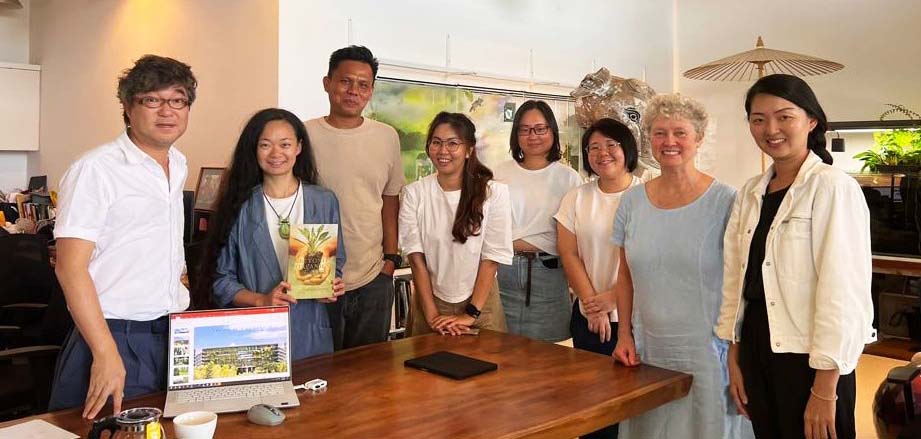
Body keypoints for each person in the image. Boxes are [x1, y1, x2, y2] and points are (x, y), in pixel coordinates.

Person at [716, 74, 875, 439]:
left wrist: (825, 387)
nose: (771, 129)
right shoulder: (750, 193)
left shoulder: (832, 187)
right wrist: (735, 358)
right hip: (757, 344)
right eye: (758, 119)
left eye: (784, 116)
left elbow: (843, 292)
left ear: (811, 120)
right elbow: (735, 279)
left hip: (809, 355)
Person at [583, 94, 749, 438]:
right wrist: (624, 334)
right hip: (649, 348)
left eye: (680, 133)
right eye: (660, 133)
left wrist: (737, 353)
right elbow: (625, 276)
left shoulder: (726, 201)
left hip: (709, 350)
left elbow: (740, 281)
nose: (669, 141)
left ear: (698, 138)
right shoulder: (632, 202)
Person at [49, 55, 197, 418]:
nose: (167, 111)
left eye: (177, 100)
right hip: (112, 334)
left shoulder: (178, 163)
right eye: (152, 100)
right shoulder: (95, 169)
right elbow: (69, 268)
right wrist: (105, 352)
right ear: (128, 107)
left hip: (173, 333)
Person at [205, 108, 346, 361]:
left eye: (285, 144)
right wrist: (262, 300)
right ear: (254, 149)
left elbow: (335, 264)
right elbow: (221, 281)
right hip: (256, 338)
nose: (276, 153)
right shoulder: (239, 205)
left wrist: (330, 287)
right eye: (265, 145)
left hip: (311, 334)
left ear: (299, 147)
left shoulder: (324, 201)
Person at [305, 45, 405, 350]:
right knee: (318, 364)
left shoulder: (387, 137)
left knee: (369, 367)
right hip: (316, 275)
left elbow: (389, 200)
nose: (353, 91)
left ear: (371, 91)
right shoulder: (304, 135)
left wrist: (390, 260)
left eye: (363, 85)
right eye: (345, 81)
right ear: (327, 83)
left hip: (373, 274)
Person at [554, 118, 641, 439]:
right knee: (594, 408)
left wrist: (612, 299)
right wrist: (593, 305)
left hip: (638, 319)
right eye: (593, 147)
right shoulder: (577, 197)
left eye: (611, 145)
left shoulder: (647, 193)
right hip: (590, 319)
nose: (602, 153)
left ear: (627, 148)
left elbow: (652, 258)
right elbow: (569, 253)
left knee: (634, 407)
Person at [399, 112, 512, 336]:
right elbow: (416, 258)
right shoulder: (414, 193)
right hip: (430, 300)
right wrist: (432, 316)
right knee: (425, 358)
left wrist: (471, 314)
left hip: (481, 303)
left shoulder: (494, 193)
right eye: (436, 143)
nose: (443, 151)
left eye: (453, 144)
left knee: (485, 358)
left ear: (469, 150)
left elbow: (491, 258)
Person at [494, 100, 583, 342]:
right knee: (501, 349)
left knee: (549, 354)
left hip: (550, 274)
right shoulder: (498, 173)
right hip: (504, 271)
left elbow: (576, 237)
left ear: (552, 131)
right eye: (524, 129)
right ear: (516, 135)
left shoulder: (568, 178)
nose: (532, 136)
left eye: (540, 129)